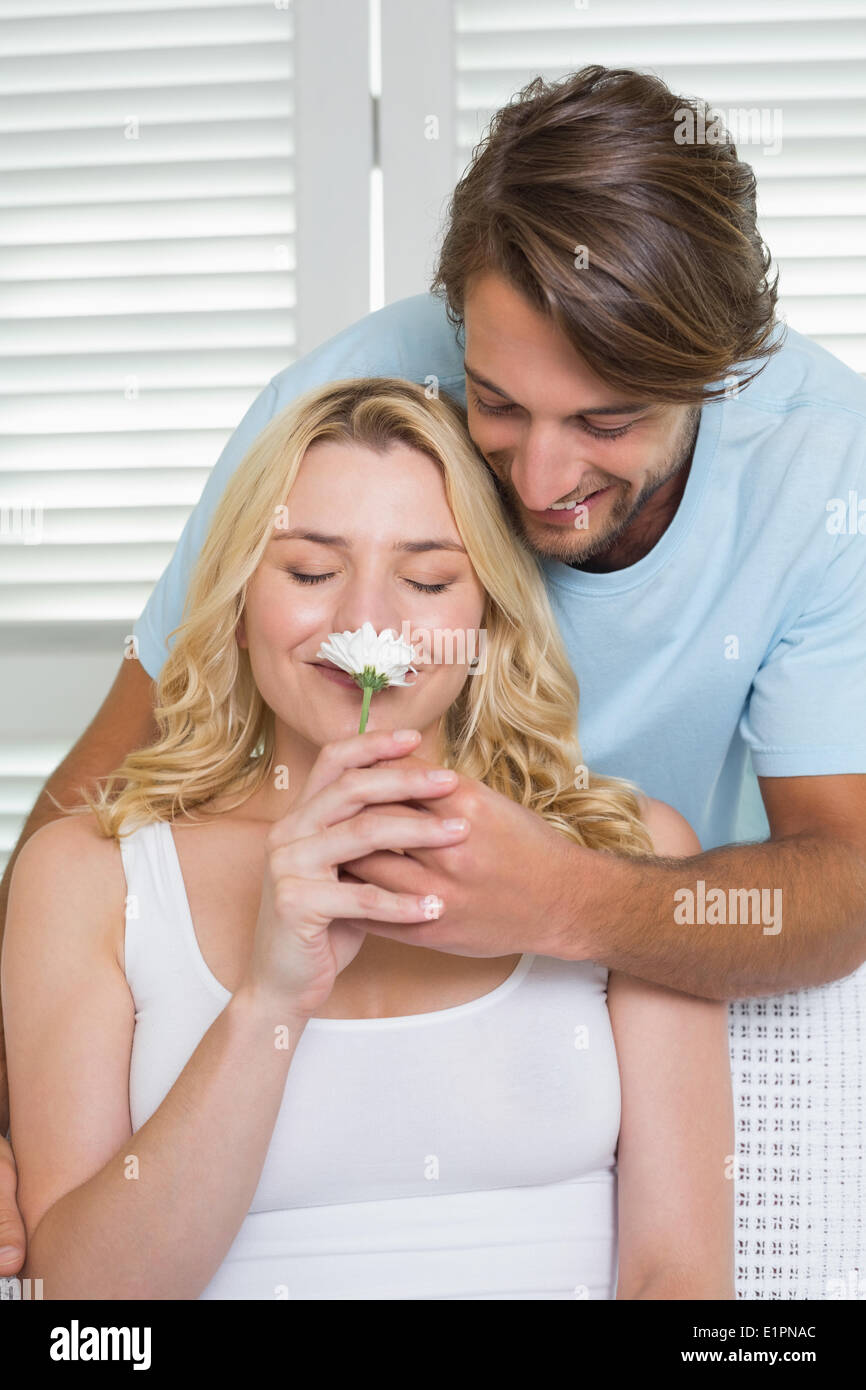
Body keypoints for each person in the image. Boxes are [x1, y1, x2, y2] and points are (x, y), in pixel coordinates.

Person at [0, 64, 863, 1297]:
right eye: (500, 407)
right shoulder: (341, 410)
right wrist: (27, 1114)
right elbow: (101, 799)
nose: (536, 480)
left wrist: (570, 903)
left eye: (605, 422)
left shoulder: (823, 469)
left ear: (715, 373)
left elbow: (841, 876)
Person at [2, 378, 734, 1299]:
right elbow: (86, 1310)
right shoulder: (88, 877)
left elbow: (683, 1280)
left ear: (488, 618)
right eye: (310, 572)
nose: (367, 625)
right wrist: (269, 1001)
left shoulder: (630, 858)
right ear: (236, 599)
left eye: (427, 580)